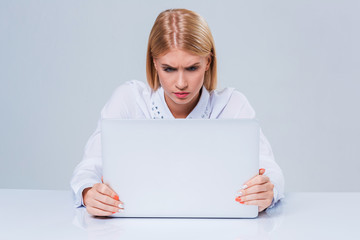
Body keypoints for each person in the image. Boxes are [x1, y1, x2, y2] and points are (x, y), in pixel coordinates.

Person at [70, 8, 285, 217]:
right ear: (154, 63)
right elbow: (88, 167)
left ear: (207, 62)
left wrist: (268, 191)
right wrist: (89, 193)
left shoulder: (232, 105)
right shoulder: (130, 101)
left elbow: (270, 169)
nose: (181, 83)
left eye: (192, 68)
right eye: (169, 69)